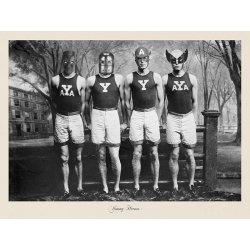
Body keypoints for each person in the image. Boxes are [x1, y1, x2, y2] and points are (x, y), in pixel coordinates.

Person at [85, 52, 127, 195]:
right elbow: (86, 102)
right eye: (103, 62)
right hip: (97, 115)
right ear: (99, 63)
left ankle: (116, 186)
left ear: (113, 63)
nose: (106, 65)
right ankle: (104, 186)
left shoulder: (118, 78)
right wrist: (88, 121)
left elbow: (124, 101)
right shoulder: (91, 80)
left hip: (112, 115)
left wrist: (125, 121)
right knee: (101, 154)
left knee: (114, 154)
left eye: (109, 62)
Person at [124, 46, 164, 197]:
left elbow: (161, 101)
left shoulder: (156, 77)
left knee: (154, 152)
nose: (142, 61)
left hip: (151, 114)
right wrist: (130, 120)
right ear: (136, 60)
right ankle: (136, 185)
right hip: (137, 115)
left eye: (144, 58)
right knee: (137, 152)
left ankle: (155, 185)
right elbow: (127, 102)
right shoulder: (130, 78)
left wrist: (157, 118)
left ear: (148, 59)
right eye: (139, 59)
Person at [162, 49, 198, 196]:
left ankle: (191, 183)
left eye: (179, 60)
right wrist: (164, 120)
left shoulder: (192, 78)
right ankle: (175, 184)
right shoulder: (166, 79)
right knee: (175, 153)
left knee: (189, 153)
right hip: (172, 118)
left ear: (184, 61)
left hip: (188, 117)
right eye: (174, 60)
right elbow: (161, 102)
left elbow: (195, 101)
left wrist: (194, 119)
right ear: (170, 61)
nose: (177, 63)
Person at [51, 50, 86, 199]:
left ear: (74, 62)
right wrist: (60, 115)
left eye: (71, 62)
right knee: (64, 157)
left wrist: (80, 118)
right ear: (62, 62)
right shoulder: (55, 80)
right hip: (61, 118)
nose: (68, 64)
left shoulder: (81, 80)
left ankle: (79, 186)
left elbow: (83, 102)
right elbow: (53, 100)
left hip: (76, 118)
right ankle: (66, 189)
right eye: (65, 61)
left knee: (78, 157)